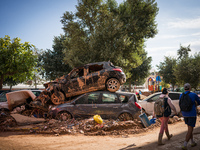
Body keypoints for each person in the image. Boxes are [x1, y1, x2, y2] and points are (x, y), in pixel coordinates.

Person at [180, 83, 200, 150]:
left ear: (184, 88)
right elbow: (199, 102)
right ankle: (185, 144)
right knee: (190, 129)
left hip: (184, 114)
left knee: (189, 128)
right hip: (192, 114)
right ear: (190, 88)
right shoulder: (193, 95)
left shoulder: (181, 95)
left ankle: (192, 142)